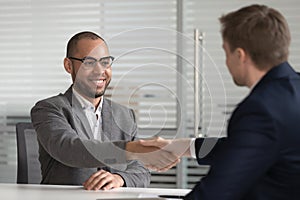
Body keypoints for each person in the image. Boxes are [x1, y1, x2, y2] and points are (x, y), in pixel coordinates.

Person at [140, 4, 300, 200]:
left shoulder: (261, 109)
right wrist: (178, 147)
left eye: (226, 52)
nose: (225, 62)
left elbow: (215, 192)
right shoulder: (291, 92)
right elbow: (246, 148)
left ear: (240, 55)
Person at [30, 31, 179, 190]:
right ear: (68, 65)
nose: (100, 71)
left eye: (105, 62)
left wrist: (119, 178)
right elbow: (69, 148)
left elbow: (141, 171)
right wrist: (132, 149)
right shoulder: (48, 109)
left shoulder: (125, 115)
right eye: (89, 62)